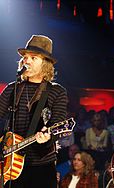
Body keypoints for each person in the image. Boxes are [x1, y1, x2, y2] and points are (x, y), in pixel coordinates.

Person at [0, 35, 68, 188]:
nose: (26, 61)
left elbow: (57, 124)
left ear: (45, 63)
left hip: (40, 166)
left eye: (33, 57)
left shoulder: (56, 92)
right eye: (25, 57)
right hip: (9, 164)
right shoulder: (13, 88)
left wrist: (48, 137)